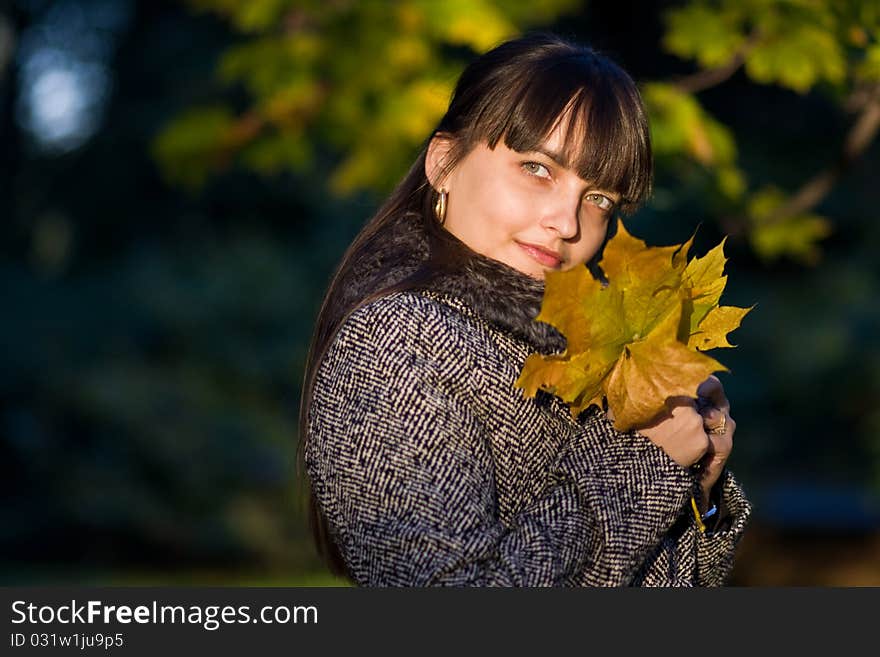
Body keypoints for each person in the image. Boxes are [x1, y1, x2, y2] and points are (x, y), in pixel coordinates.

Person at [296, 32, 751, 586]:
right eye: (537, 168)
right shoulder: (395, 338)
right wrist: (647, 465)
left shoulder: (586, 345)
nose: (567, 222)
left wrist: (696, 480)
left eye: (599, 198)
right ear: (444, 162)